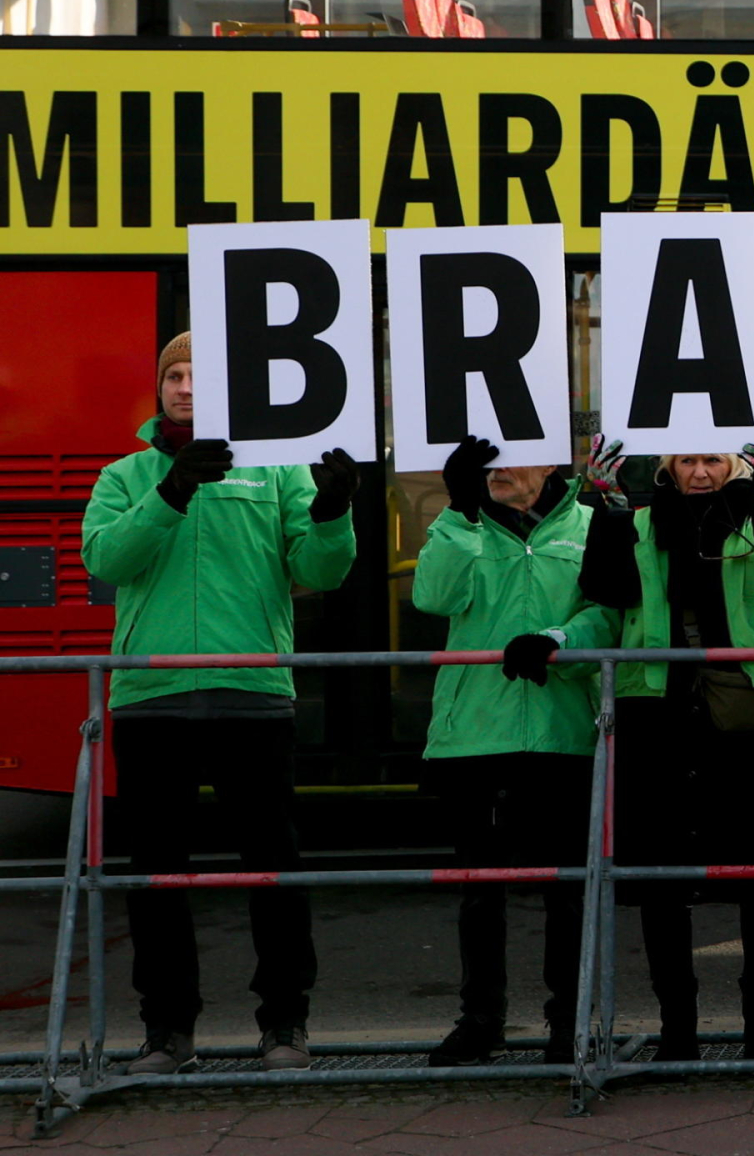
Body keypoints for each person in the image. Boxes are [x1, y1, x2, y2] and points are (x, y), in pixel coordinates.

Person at [81, 332, 358, 1076]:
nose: (184, 386)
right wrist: (171, 494)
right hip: (152, 695)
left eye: (201, 375)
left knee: (273, 868)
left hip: (253, 691)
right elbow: (106, 561)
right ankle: (166, 1032)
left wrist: (333, 512)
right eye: (173, 374)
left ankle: (286, 1027)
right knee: (156, 876)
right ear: (160, 388)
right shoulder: (125, 475)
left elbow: (320, 571)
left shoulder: (275, 470)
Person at [517, 447, 754, 1061]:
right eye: (686, 462)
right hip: (655, 711)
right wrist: (605, 505)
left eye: (713, 460)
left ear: (737, 464)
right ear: (666, 468)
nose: (700, 473)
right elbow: (606, 592)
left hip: (745, 715)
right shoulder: (634, 519)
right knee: (660, 881)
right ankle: (677, 1032)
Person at [412, 435, 600, 1067]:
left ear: (553, 462)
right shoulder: (459, 522)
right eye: (486, 462)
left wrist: (559, 636)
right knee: (479, 890)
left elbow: (609, 613)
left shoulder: (590, 524)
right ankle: (481, 1020)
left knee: (567, 889)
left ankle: (567, 1023)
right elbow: (433, 597)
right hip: (475, 735)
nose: (498, 471)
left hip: (562, 731)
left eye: (515, 455)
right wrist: (460, 510)